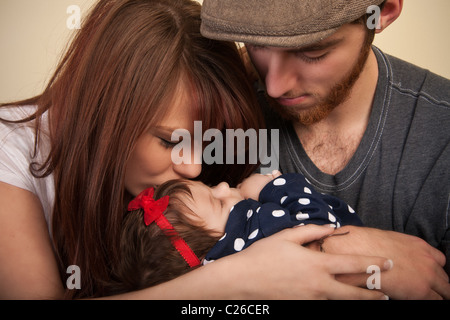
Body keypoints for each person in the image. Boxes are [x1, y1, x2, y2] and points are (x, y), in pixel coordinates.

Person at [0, 0, 393, 300]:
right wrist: (233, 280)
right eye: (170, 141)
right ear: (104, 110)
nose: (194, 167)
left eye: (209, 142)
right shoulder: (11, 152)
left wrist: (375, 255)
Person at [201, 0, 450, 299]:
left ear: (382, 13)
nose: (274, 86)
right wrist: (339, 247)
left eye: (313, 52)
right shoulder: (216, 113)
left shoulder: (442, 132)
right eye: (258, 45)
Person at [105, 171, 373, 295]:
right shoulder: (254, 234)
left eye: (209, 186)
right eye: (218, 202)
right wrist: (271, 188)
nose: (223, 185)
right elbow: (322, 224)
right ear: (212, 252)